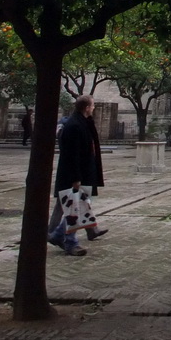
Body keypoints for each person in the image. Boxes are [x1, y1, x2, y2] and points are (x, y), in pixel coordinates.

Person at [48, 95, 106, 256]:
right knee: (74, 208)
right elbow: (71, 155)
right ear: (86, 107)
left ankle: (59, 235)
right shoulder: (74, 126)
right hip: (76, 175)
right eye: (92, 105)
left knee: (79, 207)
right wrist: (75, 178)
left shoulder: (84, 123)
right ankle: (68, 240)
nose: (94, 108)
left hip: (85, 172)